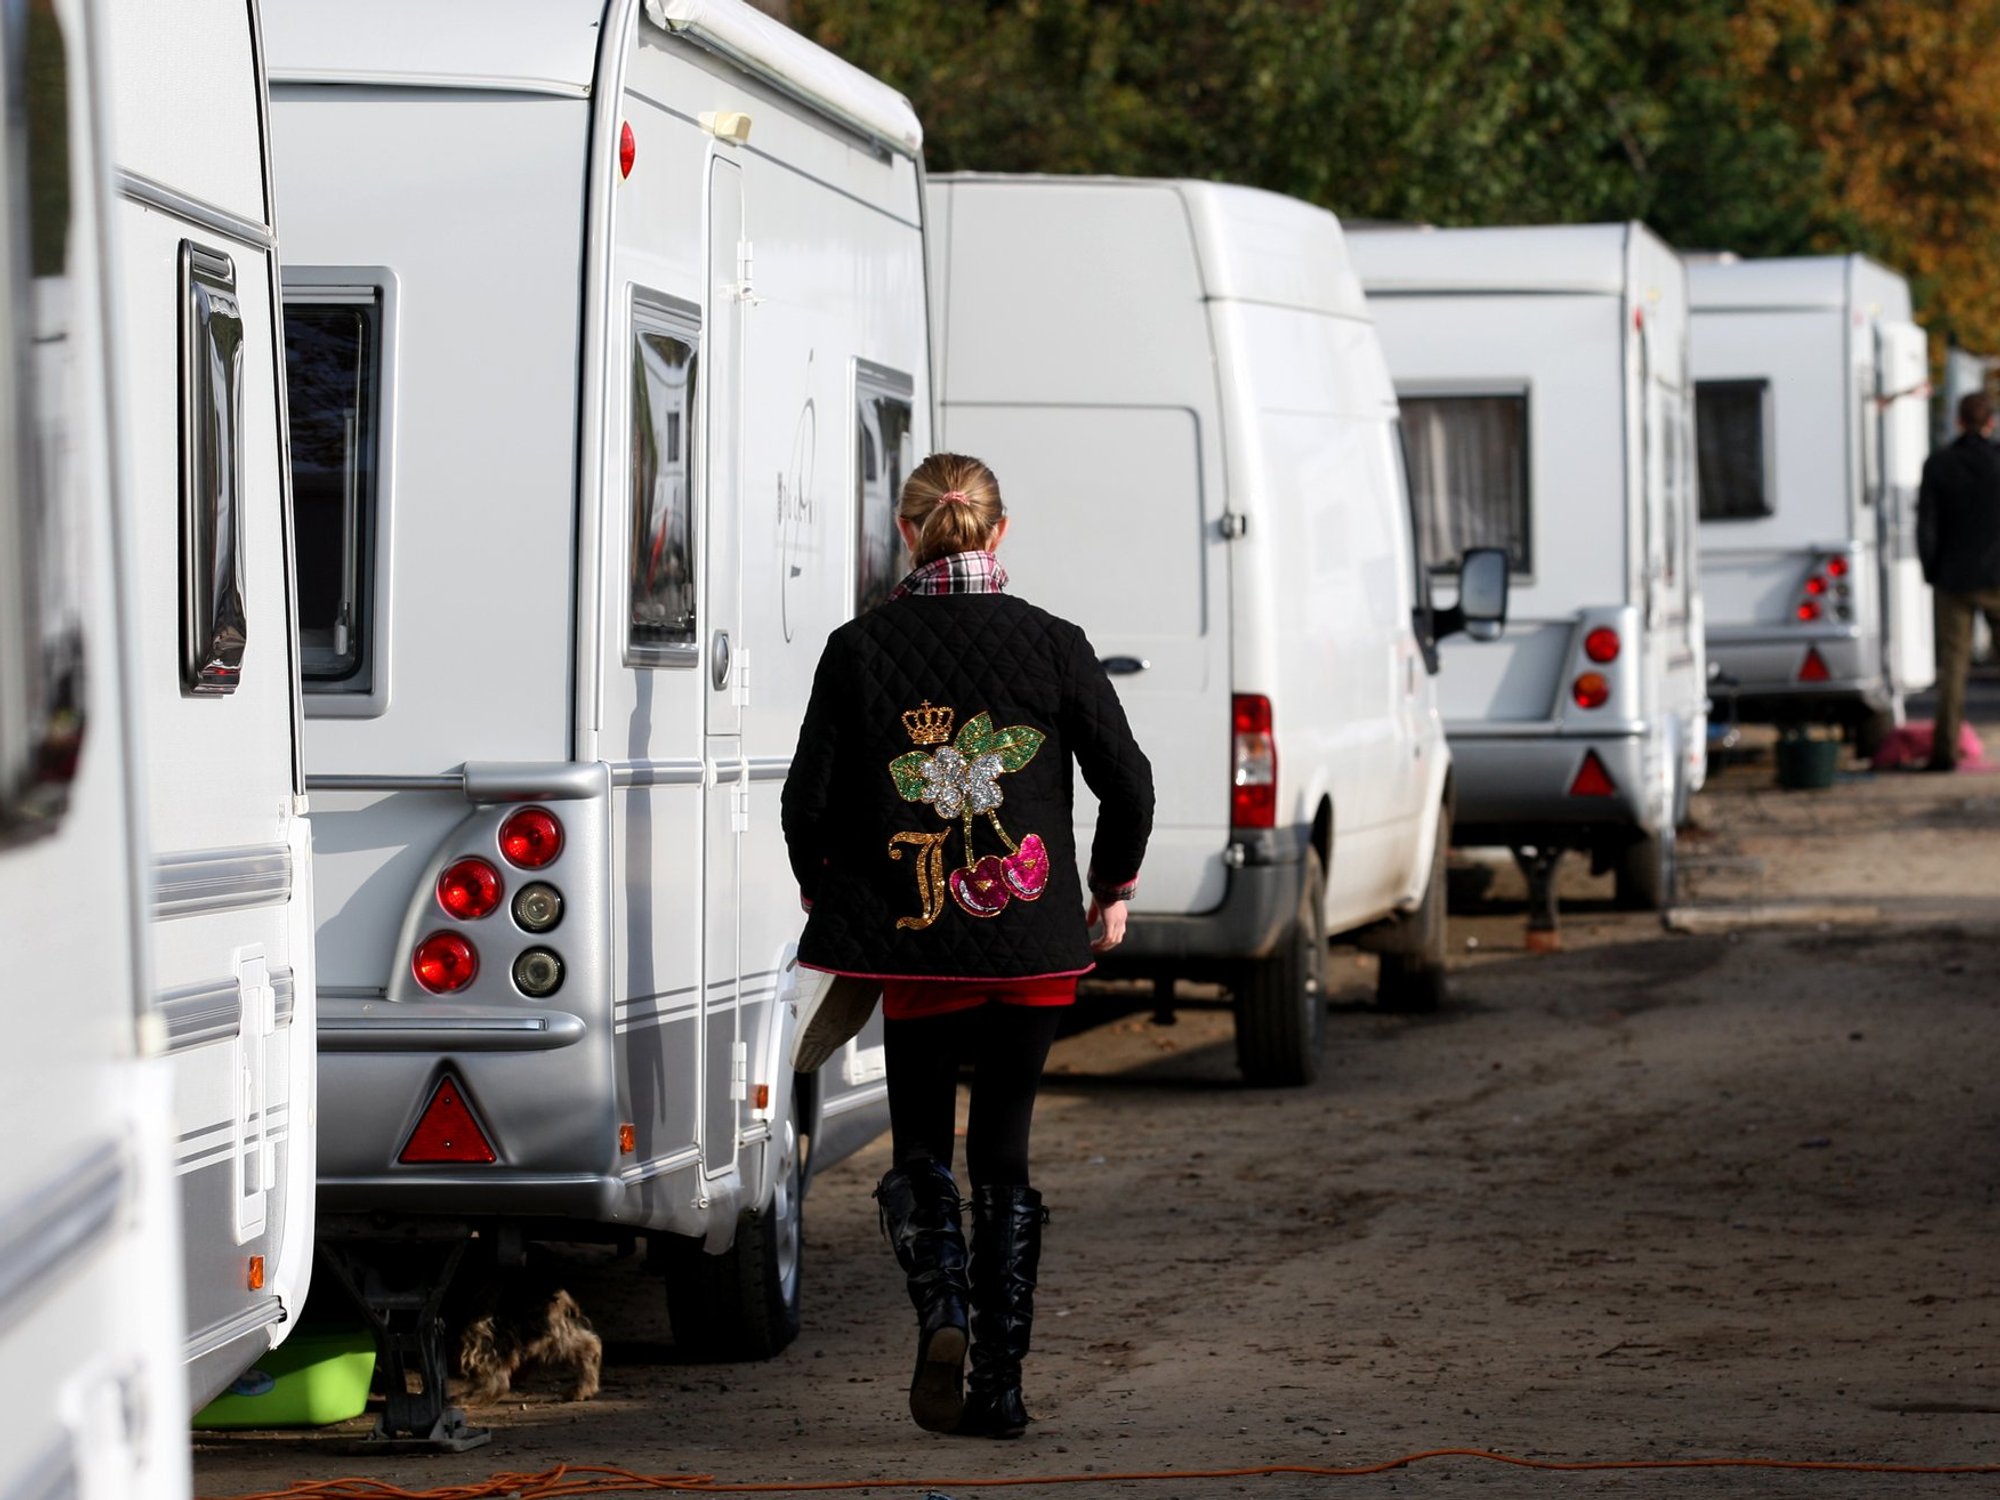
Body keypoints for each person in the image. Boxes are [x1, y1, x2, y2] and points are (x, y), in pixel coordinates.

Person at [781, 453, 1154, 1438]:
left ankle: (941, 1315)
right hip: (1032, 943)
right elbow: (1129, 781)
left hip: (918, 949)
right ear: (999, 534)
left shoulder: (858, 649)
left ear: (905, 533)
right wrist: (1110, 891)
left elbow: (804, 804)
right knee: (1004, 1155)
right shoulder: (1055, 644)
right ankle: (1000, 1387)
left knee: (920, 1147)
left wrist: (834, 898)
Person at [1917, 391, 2000, 770]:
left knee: (1954, 667)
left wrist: (1931, 570)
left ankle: (1945, 751)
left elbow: (1927, 526)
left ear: (1958, 422)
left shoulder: (1938, 464)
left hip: (1954, 578)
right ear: (1991, 423)